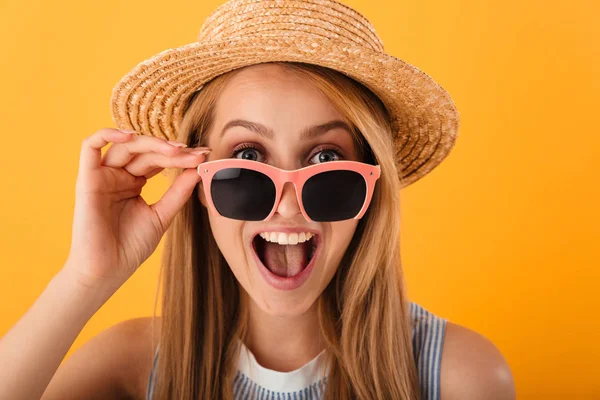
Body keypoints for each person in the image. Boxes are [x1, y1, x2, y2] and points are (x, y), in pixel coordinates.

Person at [0, 0, 516, 399]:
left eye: (322, 161)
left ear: (368, 188)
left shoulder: (458, 375)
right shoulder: (132, 365)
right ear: (199, 180)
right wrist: (83, 280)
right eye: (248, 154)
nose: (288, 205)